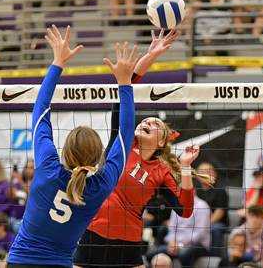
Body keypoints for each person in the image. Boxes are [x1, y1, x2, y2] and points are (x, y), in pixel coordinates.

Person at [74, 29, 213, 268]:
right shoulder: (122, 144)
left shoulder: (161, 171)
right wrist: (151, 56)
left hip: (128, 243)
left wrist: (186, 168)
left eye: (155, 124)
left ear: (161, 142)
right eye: (145, 120)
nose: (147, 121)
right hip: (94, 234)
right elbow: (124, 92)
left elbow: (186, 210)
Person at [7, 25, 137, 267]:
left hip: (20, 261)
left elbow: (40, 113)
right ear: (99, 156)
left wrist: (58, 63)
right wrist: (124, 83)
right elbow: (126, 134)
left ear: (65, 152)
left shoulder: (48, 168)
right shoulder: (101, 185)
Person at [148, 193, 211, 267]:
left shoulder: (202, 206)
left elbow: (199, 234)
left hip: (198, 245)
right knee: (150, 255)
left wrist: (179, 244)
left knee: (184, 255)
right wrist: (172, 242)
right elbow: (171, 229)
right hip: (176, 244)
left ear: (193, 190)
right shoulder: (177, 206)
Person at [194, 161, 229, 257]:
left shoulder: (220, 191)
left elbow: (219, 212)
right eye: (202, 171)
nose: (206, 174)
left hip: (216, 223)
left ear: (214, 174)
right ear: (197, 175)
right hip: (197, 223)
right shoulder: (195, 191)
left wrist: (204, 225)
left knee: (215, 229)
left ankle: (214, 258)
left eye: (209, 171)